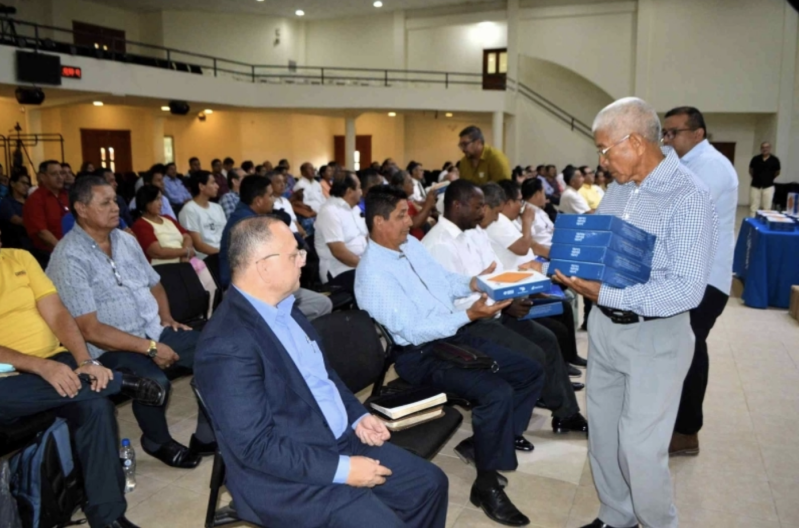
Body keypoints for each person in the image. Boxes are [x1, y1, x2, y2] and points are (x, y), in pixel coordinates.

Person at [194, 215, 447, 528]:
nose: (303, 261)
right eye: (295, 254)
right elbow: (256, 447)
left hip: (336, 437)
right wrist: (344, 470)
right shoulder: (227, 345)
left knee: (430, 484)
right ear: (263, 266)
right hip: (286, 477)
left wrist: (357, 415)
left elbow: (323, 378)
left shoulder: (286, 308)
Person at [559, 97, 718, 528]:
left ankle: (657, 524)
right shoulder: (619, 190)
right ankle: (617, 515)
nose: (602, 160)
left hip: (657, 338)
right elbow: (606, 251)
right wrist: (575, 268)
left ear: (633, 142)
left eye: (605, 149)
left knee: (641, 448)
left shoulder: (688, 196)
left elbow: (686, 290)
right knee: (606, 438)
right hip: (607, 331)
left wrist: (606, 292)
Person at [356, 186, 545, 527]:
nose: (409, 220)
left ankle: (485, 443)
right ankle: (486, 486)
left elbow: (443, 281)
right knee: (496, 391)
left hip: (451, 333)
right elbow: (412, 332)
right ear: (378, 221)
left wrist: (477, 282)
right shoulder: (372, 274)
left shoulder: (409, 244)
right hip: (419, 354)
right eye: (401, 215)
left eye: (408, 212)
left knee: (529, 369)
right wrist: (471, 315)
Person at [47, 175, 218, 470]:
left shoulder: (126, 240)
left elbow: (155, 284)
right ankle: (157, 440)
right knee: (154, 382)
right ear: (81, 209)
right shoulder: (68, 256)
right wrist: (151, 348)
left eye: (115, 200)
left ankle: (206, 434)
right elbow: (91, 330)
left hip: (153, 329)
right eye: (106, 203)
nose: (116, 207)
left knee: (216, 353)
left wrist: (165, 318)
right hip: (108, 347)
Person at [0, 242, 166, 528]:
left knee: (95, 405)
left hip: (55, 362)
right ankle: (118, 382)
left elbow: (57, 314)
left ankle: (108, 516)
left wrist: (85, 361)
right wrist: (40, 366)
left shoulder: (19, 258)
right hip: (9, 380)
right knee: (91, 389)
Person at [422, 180, 587, 431]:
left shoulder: (475, 232)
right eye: (478, 207)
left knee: (547, 340)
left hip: (493, 310)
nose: (482, 212)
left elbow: (496, 274)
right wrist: (503, 303)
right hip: (467, 323)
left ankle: (566, 414)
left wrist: (513, 298)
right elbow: (452, 301)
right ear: (457, 206)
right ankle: (502, 431)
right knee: (532, 356)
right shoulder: (439, 243)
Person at [662, 106, 739, 456]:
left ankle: (687, 431)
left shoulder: (711, 166)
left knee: (691, 349)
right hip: (686, 273)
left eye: (673, 133)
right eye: (665, 132)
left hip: (706, 278)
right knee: (679, 349)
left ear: (698, 134)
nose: (667, 140)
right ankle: (676, 422)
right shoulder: (682, 161)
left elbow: (679, 212)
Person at [483, 181, 586, 368]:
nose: (522, 207)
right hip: (514, 296)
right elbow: (523, 248)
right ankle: (562, 365)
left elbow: (530, 247)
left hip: (526, 287)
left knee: (563, 306)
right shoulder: (499, 223)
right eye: (519, 202)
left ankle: (569, 358)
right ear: (506, 203)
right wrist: (527, 222)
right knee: (555, 329)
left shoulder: (509, 221)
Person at [218, 175, 332, 321]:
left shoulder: (254, 216)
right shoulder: (247, 225)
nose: (273, 200)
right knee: (318, 306)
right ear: (258, 201)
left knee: (322, 303)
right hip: (248, 292)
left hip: (265, 283)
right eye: (270, 196)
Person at [131, 186, 217, 318]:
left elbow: (187, 236)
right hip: (163, 269)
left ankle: (209, 317)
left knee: (211, 287)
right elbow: (156, 252)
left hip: (184, 263)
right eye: (156, 199)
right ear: (145, 202)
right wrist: (185, 252)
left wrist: (186, 254)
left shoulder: (167, 219)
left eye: (161, 199)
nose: (161, 203)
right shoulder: (141, 224)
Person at [314, 173, 367, 293]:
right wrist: (367, 266)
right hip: (339, 269)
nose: (361, 191)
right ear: (349, 191)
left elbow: (366, 238)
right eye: (359, 187)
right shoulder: (330, 211)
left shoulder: (354, 209)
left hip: (359, 264)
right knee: (376, 281)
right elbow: (339, 252)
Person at [23, 160, 69, 255]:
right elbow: (41, 232)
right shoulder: (35, 199)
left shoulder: (67, 195)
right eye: (54, 174)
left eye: (61, 173)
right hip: (48, 254)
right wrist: (63, 251)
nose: (60, 177)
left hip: (72, 249)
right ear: (42, 177)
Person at [178, 171, 227, 259]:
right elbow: (198, 245)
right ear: (201, 186)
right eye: (213, 183)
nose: (217, 186)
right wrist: (222, 253)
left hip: (223, 253)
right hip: (207, 258)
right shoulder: (189, 210)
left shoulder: (217, 207)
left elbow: (226, 235)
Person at [391, 170, 437, 240]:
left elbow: (422, 221)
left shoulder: (408, 201)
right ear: (400, 186)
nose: (413, 184)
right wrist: (428, 204)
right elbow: (414, 224)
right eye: (409, 182)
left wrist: (429, 205)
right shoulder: (399, 203)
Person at [0, 172, 33, 250]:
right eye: (23, 183)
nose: (26, 186)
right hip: (14, 246)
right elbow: (15, 219)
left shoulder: (30, 201)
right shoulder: (6, 202)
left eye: (28, 184)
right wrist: (36, 224)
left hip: (31, 244)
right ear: (12, 183)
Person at [520, 178, 554, 251]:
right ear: (537, 194)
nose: (545, 196)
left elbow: (551, 228)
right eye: (544, 193)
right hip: (545, 252)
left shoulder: (538, 210)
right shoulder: (525, 212)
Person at [748, 141, 781, 215]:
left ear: (770, 148)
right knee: (753, 207)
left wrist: (769, 178)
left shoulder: (775, 160)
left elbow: (777, 172)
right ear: (760, 149)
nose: (764, 149)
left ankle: (765, 224)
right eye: (763, 147)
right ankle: (752, 222)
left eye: (767, 147)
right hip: (755, 186)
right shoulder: (755, 159)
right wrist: (756, 178)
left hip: (768, 186)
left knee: (767, 208)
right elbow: (750, 170)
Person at [271, 171, 306, 236]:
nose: (282, 184)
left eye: (284, 182)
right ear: (270, 185)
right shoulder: (270, 204)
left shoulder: (285, 201)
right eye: (278, 182)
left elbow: (295, 222)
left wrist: (303, 234)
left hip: (297, 235)